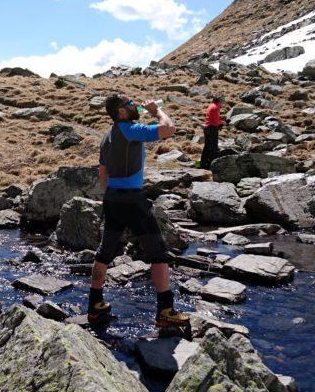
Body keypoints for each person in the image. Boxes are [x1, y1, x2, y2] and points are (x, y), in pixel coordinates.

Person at [88, 94, 189, 331]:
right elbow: (168, 129)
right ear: (121, 112)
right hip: (132, 200)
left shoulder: (106, 137)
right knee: (158, 253)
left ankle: (94, 306)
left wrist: (110, 195)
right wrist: (156, 111)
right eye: (130, 104)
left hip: (112, 198)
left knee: (104, 252)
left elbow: (102, 172)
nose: (135, 106)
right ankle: (165, 311)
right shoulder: (131, 129)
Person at [200, 96, 224, 169]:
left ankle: (203, 163)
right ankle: (212, 164)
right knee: (213, 146)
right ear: (219, 101)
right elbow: (216, 120)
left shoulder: (210, 105)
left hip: (207, 127)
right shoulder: (216, 107)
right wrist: (223, 122)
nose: (223, 103)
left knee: (207, 146)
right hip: (212, 128)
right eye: (222, 101)